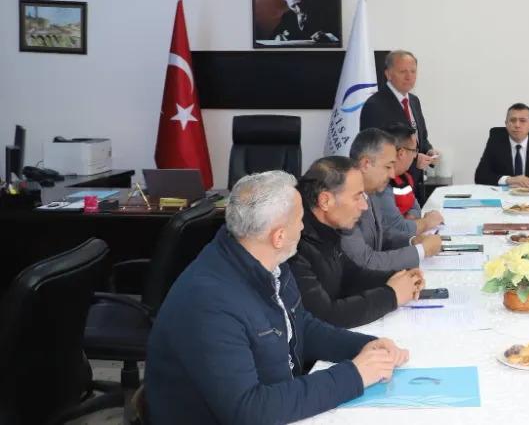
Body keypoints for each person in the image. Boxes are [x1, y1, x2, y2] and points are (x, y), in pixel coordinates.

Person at [144, 171, 408, 425]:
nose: (304, 226)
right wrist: (354, 376)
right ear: (279, 236)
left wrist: (362, 347)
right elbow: (249, 411)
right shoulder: (210, 304)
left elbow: (299, 325)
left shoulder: (268, 261)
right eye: (301, 219)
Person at [290, 156, 426, 329]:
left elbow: (349, 276)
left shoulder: (327, 228)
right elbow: (326, 316)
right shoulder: (294, 246)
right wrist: (391, 295)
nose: (364, 206)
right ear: (325, 201)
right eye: (356, 197)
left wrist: (400, 278)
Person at [340, 128, 442, 271]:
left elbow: (384, 234)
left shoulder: (371, 192)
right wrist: (421, 250)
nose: (393, 175)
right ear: (365, 164)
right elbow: (366, 260)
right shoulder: (344, 201)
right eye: (388, 167)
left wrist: (412, 241)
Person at [360, 50, 438, 198]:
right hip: (389, 188)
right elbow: (375, 150)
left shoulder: (414, 101)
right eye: (403, 71)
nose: (409, 77)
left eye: (413, 71)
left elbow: (420, 137)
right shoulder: (375, 105)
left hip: (414, 184)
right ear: (388, 74)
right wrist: (414, 160)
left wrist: (429, 151)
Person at [473, 103, 529, 187]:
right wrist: (509, 180)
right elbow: (480, 176)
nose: (517, 125)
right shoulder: (495, 142)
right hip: (504, 195)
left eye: (522, 121)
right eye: (513, 120)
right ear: (506, 124)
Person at [379, 124, 446, 234]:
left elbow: (415, 207)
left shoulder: (405, 177)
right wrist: (427, 221)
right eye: (414, 151)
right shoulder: (382, 184)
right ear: (401, 153)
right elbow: (398, 229)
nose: (415, 156)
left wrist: (411, 220)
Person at [270, 0, 339, 43]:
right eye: (293, 6)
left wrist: (327, 36)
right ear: (288, 5)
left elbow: (338, 35)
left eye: (299, 3)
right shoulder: (287, 16)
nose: (299, 9)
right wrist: (278, 37)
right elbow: (273, 36)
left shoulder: (322, 13)